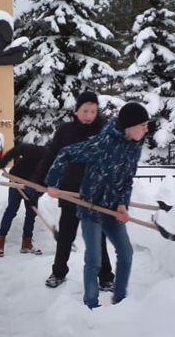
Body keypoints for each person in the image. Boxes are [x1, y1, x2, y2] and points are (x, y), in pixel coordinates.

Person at [45, 102, 150, 309]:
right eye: (143, 125)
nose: (147, 129)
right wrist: (52, 183)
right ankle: (90, 305)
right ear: (129, 126)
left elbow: (127, 180)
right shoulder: (104, 143)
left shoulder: (135, 147)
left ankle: (120, 300)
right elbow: (66, 153)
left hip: (111, 209)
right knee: (94, 259)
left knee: (126, 253)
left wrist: (122, 204)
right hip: (91, 207)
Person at [34, 90, 115, 290]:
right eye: (85, 110)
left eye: (93, 111)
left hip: (94, 194)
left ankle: (105, 277)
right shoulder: (65, 131)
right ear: (77, 110)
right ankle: (58, 272)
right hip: (70, 192)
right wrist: (41, 181)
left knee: (98, 238)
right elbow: (51, 156)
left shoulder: (104, 131)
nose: (89, 115)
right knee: (66, 236)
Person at [0, 143, 49, 257]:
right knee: (12, 209)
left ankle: (26, 243)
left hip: (33, 185)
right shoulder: (38, 151)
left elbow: (47, 183)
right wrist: (4, 160)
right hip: (17, 178)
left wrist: (37, 193)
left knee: (31, 212)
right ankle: (0, 240)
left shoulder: (55, 165)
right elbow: (18, 148)